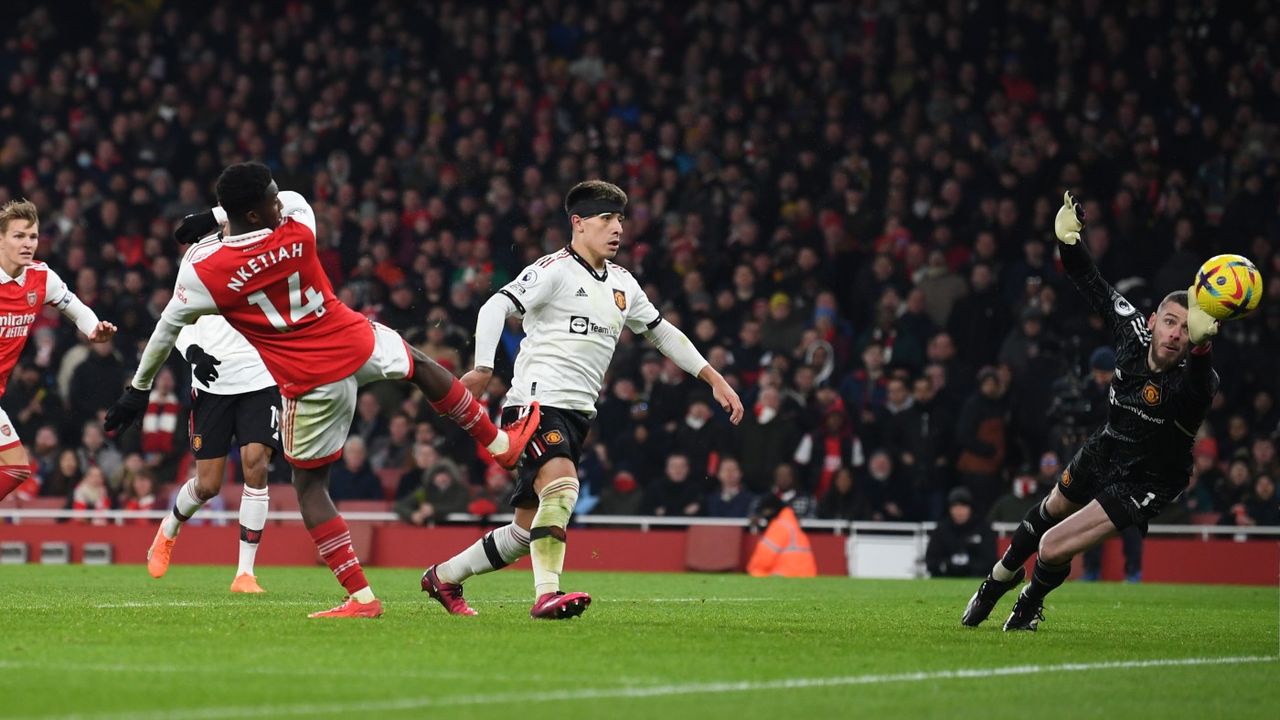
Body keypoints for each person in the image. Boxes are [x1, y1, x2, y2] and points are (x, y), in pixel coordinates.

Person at [104, 162, 541, 619]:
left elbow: (165, 327)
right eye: (269, 198)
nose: (278, 201)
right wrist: (215, 216)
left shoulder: (205, 272)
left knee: (309, 485)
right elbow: (293, 197)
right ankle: (499, 445)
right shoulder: (299, 227)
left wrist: (138, 389)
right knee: (422, 365)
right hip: (354, 340)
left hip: (308, 379)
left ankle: (361, 598)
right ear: (254, 214)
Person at [422, 180, 744, 619]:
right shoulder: (554, 270)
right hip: (536, 404)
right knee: (562, 486)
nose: (617, 229)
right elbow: (495, 306)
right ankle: (546, 595)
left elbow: (662, 331)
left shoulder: (623, 283)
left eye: (621, 220)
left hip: (577, 414)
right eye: (607, 219)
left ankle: (442, 577)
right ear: (578, 223)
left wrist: (712, 377)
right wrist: (482, 368)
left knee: (523, 531)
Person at [962, 192, 1219, 631]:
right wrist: (1067, 240)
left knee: (1053, 546)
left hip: (1150, 477)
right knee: (1051, 506)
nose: (1177, 334)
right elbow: (1092, 283)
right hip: (1109, 445)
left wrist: (1202, 349)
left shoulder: (1197, 377)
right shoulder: (1131, 330)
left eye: (1186, 327)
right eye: (1171, 322)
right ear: (1154, 320)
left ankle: (1028, 604)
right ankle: (997, 579)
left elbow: (1197, 389)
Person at [140, 225, 285, 593]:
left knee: (256, 464)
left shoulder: (270, 248)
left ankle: (245, 573)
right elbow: (177, 317)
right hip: (212, 382)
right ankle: (169, 527)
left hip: (259, 375)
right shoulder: (197, 255)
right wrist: (193, 352)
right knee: (208, 485)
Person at [0, 199, 117, 503]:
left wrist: (93, 330)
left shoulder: (42, 278)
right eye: (18, 236)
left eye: (33, 237)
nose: (28, 244)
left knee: (15, 469)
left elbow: (79, 311)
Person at [925, 487, 994, 578]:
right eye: (955, 506)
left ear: (970, 508)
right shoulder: (941, 530)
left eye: (963, 506)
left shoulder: (983, 528)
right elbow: (931, 561)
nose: (959, 511)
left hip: (976, 580)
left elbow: (990, 561)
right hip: (945, 579)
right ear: (950, 509)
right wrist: (949, 564)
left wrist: (968, 565)